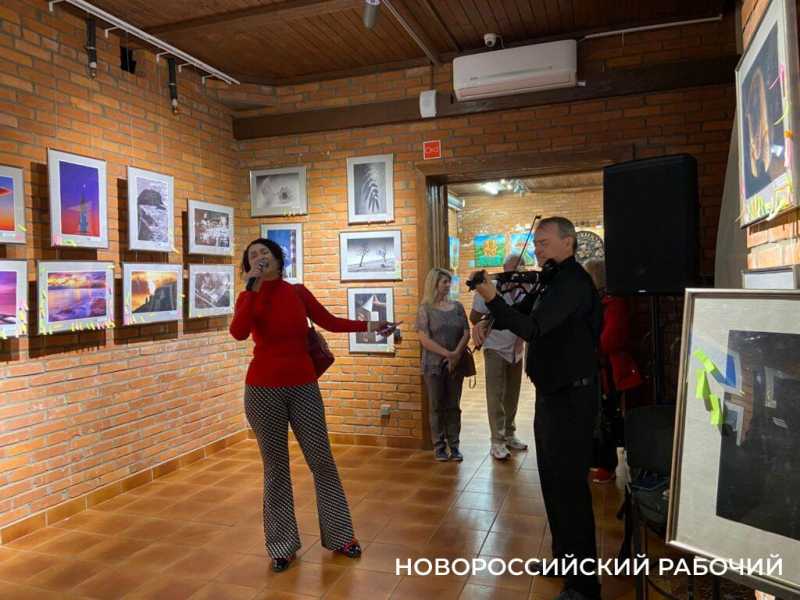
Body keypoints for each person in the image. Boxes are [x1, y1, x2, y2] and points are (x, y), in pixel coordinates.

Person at [229, 238, 393, 573]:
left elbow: (330, 322)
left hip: (304, 387)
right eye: (253, 257)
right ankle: (282, 546)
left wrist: (370, 325)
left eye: (265, 253)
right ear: (248, 267)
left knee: (322, 460)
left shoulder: (298, 292)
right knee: (276, 469)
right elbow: (238, 333)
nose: (260, 258)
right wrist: (250, 289)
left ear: (278, 258)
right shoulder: (249, 297)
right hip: (262, 391)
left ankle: (340, 536)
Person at [472, 217, 602, 600]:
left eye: (544, 243)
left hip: (572, 399)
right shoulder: (550, 279)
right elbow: (521, 310)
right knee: (552, 484)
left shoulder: (574, 283)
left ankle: (584, 586)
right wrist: (488, 317)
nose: (538, 249)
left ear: (568, 242)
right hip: (551, 395)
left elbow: (533, 328)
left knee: (570, 491)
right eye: (537, 243)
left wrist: (491, 295)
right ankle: (565, 560)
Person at [583, 258, 642, 484]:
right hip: (597, 370)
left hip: (612, 372)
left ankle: (608, 466)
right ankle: (598, 460)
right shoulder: (595, 301)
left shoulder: (614, 302)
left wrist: (585, 346)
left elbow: (610, 341)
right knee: (597, 417)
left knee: (608, 418)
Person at [469, 254, 527, 461]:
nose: (513, 277)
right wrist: (489, 317)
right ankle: (497, 440)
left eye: (518, 271)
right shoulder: (490, 288)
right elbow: (474, 317)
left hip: (517, 347)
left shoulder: (527, 290)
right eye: (509, 271)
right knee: (495, 394)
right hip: (495, 346)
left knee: (513, 393)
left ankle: (510, 434)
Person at [416, 267, 470, 462]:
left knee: (453, 405)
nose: (448, 285)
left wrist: (455, 354)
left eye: (449, 281)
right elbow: (424, 338)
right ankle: (439, 446)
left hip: (455, 363)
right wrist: (446, 353)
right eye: (444, 282)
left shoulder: (457, 307)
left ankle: (454, 446)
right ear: (434, 284)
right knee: (436, 405)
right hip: (433, 365)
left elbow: (466, 332)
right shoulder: (425, 309)